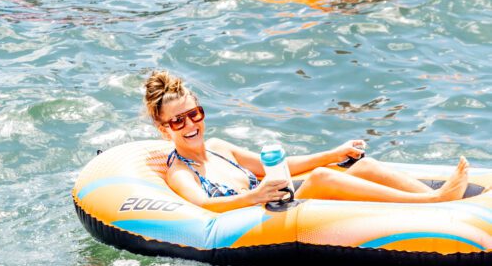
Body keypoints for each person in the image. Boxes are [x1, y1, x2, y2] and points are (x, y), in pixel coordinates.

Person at [143, 70, 469, 213]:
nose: (190, 124)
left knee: (364, 165)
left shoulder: (221, 148)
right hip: (255, 221)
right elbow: (205, 205)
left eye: (194, 113)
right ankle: (433, 202)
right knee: (321, 178)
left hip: (278, 201)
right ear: (164, 128)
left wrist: (334, 152)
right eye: (177, 120)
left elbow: (281, 167)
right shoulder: (180, 172)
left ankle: (448, 204)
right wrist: (255, 195)